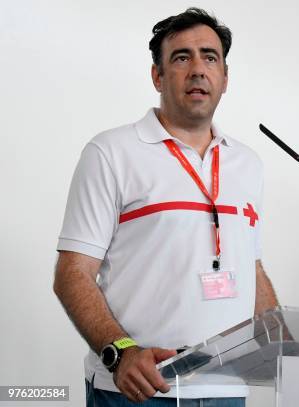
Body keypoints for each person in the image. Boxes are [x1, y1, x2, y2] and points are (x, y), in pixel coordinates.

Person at [53, 8, 277, 407]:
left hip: (227, 389)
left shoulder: (249, 164)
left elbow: (252, 267)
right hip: (139, 390)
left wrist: (283, 341)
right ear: (158, 76)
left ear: (225, 78)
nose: (197, 69)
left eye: (210, 57)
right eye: (181, 57)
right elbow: (73, 273)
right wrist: (120, 351)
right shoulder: (111, 152)